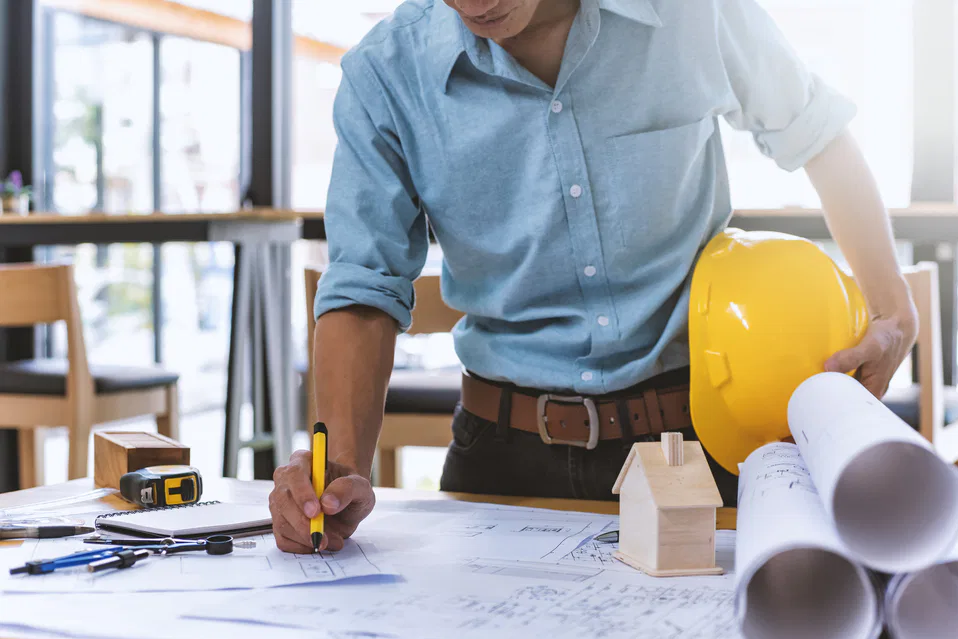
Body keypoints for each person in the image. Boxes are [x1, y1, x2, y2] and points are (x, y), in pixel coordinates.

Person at [269, 0, 918, 554]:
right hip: (500, 453)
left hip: (697, 445)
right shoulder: (384, 73)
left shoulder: (692, 14)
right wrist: (342, 468)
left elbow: (820, 135)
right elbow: (363, 287)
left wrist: (894, 313)